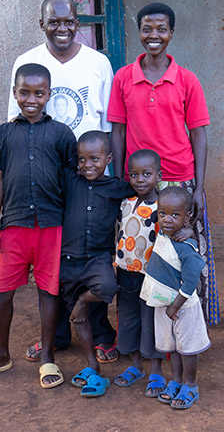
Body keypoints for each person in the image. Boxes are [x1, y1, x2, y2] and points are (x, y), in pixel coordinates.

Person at [8, 0, 117, 362]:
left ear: (79, 22)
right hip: (48, 183)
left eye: (69, 21)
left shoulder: (98, 63)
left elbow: (108, 124)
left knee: (95, 251)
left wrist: (107, 170)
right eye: (54, 21)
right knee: (54, 258)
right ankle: (54, 335)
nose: (62, 28)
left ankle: (101, 332)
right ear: (42, 24)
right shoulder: (27, 62)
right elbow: (16, 123)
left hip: (90, 175)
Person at [0, 64, 77, 389]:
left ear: (48, 95)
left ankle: (47, 357)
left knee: (48, 292)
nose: (31, 99)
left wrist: (70, 227)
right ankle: (0, 354)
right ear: (15, 93)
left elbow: (69, 182)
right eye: (24, 92)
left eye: (38, 93)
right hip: (12, 226)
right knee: (1, 294)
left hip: (51, 226)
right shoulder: (2, 134)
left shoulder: (61, 134)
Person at [108, 2, 219, 326]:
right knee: (142, 254)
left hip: (180, 182)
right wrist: (120, 182)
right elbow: (118, 130)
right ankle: (147, 329)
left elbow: (199, 136)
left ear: (171, 33)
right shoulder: (124, 78)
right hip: (140, 183)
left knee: (185, 255)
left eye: (161, 29)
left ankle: (189, 325)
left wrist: (198, 187)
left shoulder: (186, 80)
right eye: (147, 28)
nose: (153, 35)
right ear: (139, 32)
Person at [114, 149, 193, 397]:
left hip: (153, 278)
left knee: (152, 324)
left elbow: (181, 226)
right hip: (126, 274)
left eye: (146, 174)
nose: (139, 180)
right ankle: (135, 365)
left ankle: (156, 370)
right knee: (128, 321)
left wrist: (189, 232)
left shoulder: (162, 207)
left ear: (159, 175)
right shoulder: (125, 202)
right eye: (134, 174)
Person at [62, 131, 135, 397]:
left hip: (97, 259)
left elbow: (142, 187)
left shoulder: (116, 187)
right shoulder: (70, 180)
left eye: (94, 159)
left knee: (106, 287)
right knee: (69, 308)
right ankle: (92, 364)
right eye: (81, 159)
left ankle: (82, 302)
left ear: (109, 159)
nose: (87, 165)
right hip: (67, 259)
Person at [140, 186, 211, 409]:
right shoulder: (164, 232)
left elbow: (191, 283)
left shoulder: (187, 248)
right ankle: (176, 381)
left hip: (183, 307)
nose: (167, 220)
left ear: (187, 216)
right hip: (165, 304)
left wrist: (175, 307)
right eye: (163, 214)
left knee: (187, 349)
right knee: (173, 348)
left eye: (175, 215)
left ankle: (190, 386)